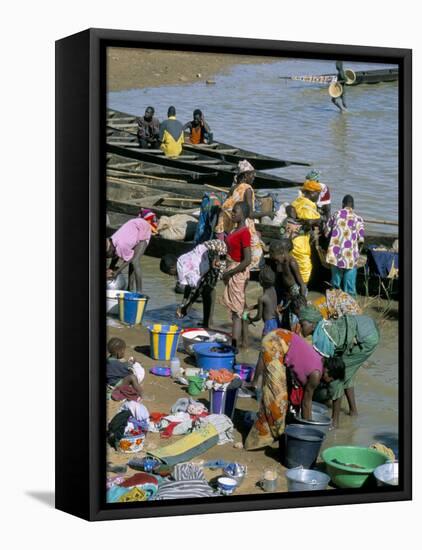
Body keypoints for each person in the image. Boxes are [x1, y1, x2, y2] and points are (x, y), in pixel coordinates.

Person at [244, 328, 345, 450]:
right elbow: (306, 403)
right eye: (332, 379)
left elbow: (294, 370)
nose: (330, 382)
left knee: (274, 398)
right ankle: (261, 440)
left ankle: (265, 435)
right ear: (329, 372)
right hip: (275, 343)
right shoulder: (316, 375)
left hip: (281, 338)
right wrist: (309, 431)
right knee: (277, 402)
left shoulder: (320, 361)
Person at [298, 305, 380, 428]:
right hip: (365, 326)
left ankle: (335, 422)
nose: (300, 328)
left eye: (302, 324)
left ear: (313, 325)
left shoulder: (322, 338)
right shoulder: (323, 326)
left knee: (335, 377)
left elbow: (328, 368)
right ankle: (353, 411)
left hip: (366, 338)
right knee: (346, 372)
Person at [159, 240, 227, 328]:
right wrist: (183, 304)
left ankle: (208, 323)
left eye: (168, 273)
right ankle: (207, 322)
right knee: (207, 287)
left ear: (172, 268)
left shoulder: (185, 271)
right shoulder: (181, 260)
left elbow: (198, 289)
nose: (169, 276)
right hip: (210, 247)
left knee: (208, 289)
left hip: (217, 253)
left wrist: (188, 306)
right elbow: (189, 286)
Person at [215, 159, 267, 269]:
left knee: (227, 254)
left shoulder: (234, 187)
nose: (254, 177)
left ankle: (227, 265)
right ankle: (246, 268)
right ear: (245, 175)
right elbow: (250, 214)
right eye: (252, 175)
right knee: (257, 255)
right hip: (236, 225)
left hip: (224, 227)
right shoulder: (248, 189)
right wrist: (267, 213)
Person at [243, 265, 280, 397]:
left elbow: (259, 317)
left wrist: (250, 319)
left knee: (262, 356)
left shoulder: (262, 297)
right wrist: (252, 307)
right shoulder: (273, 291)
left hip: (268, 326)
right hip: (277, 323)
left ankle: (253, 383)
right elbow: (268, 306)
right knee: (272, 355)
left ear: (260, 282)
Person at [222, 202, 252, 349]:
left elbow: (247, 260)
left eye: (235, 212)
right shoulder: (235, 230)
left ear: (243, 214)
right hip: (232, 269)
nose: (232, 214)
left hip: (238, 272)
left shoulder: (244, 232)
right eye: (232, 211)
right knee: (241, 308)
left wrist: (230, 272)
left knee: (236, 312)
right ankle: (244, 341)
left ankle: (233, 346)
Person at [324, 194, 365, 297]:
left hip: (335, 252)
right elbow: (361, 239)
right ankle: (349, 295)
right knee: (350, 273)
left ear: (343, 204)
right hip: (350, 254)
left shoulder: (336, 214)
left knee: (335, 276)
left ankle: (334, 292)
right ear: (353, 206)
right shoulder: (358, 219)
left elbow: (326, 232)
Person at [288, 178, 322, 285]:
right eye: (318, 194)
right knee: (305, 270)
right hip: (300, 243)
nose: (318, 197)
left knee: (292, 268)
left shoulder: (297, 201)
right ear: (312, 193)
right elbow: (310, 222)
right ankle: (302, 293)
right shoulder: (308, 205)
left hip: (290, 241)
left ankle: (293, 291)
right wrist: (319, 219)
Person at [106, 217, 152, 292]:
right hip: (133, 227)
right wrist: (110, 268)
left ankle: (139, 292)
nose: (110, 257)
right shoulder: (113, 241)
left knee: (135, 262)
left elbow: (130, 258)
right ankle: (130, 289)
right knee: (132, 264)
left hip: (143, 229)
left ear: (110, 250)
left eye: (109, 256)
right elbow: (115, 255)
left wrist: (117, 272)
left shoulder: (121, 245)